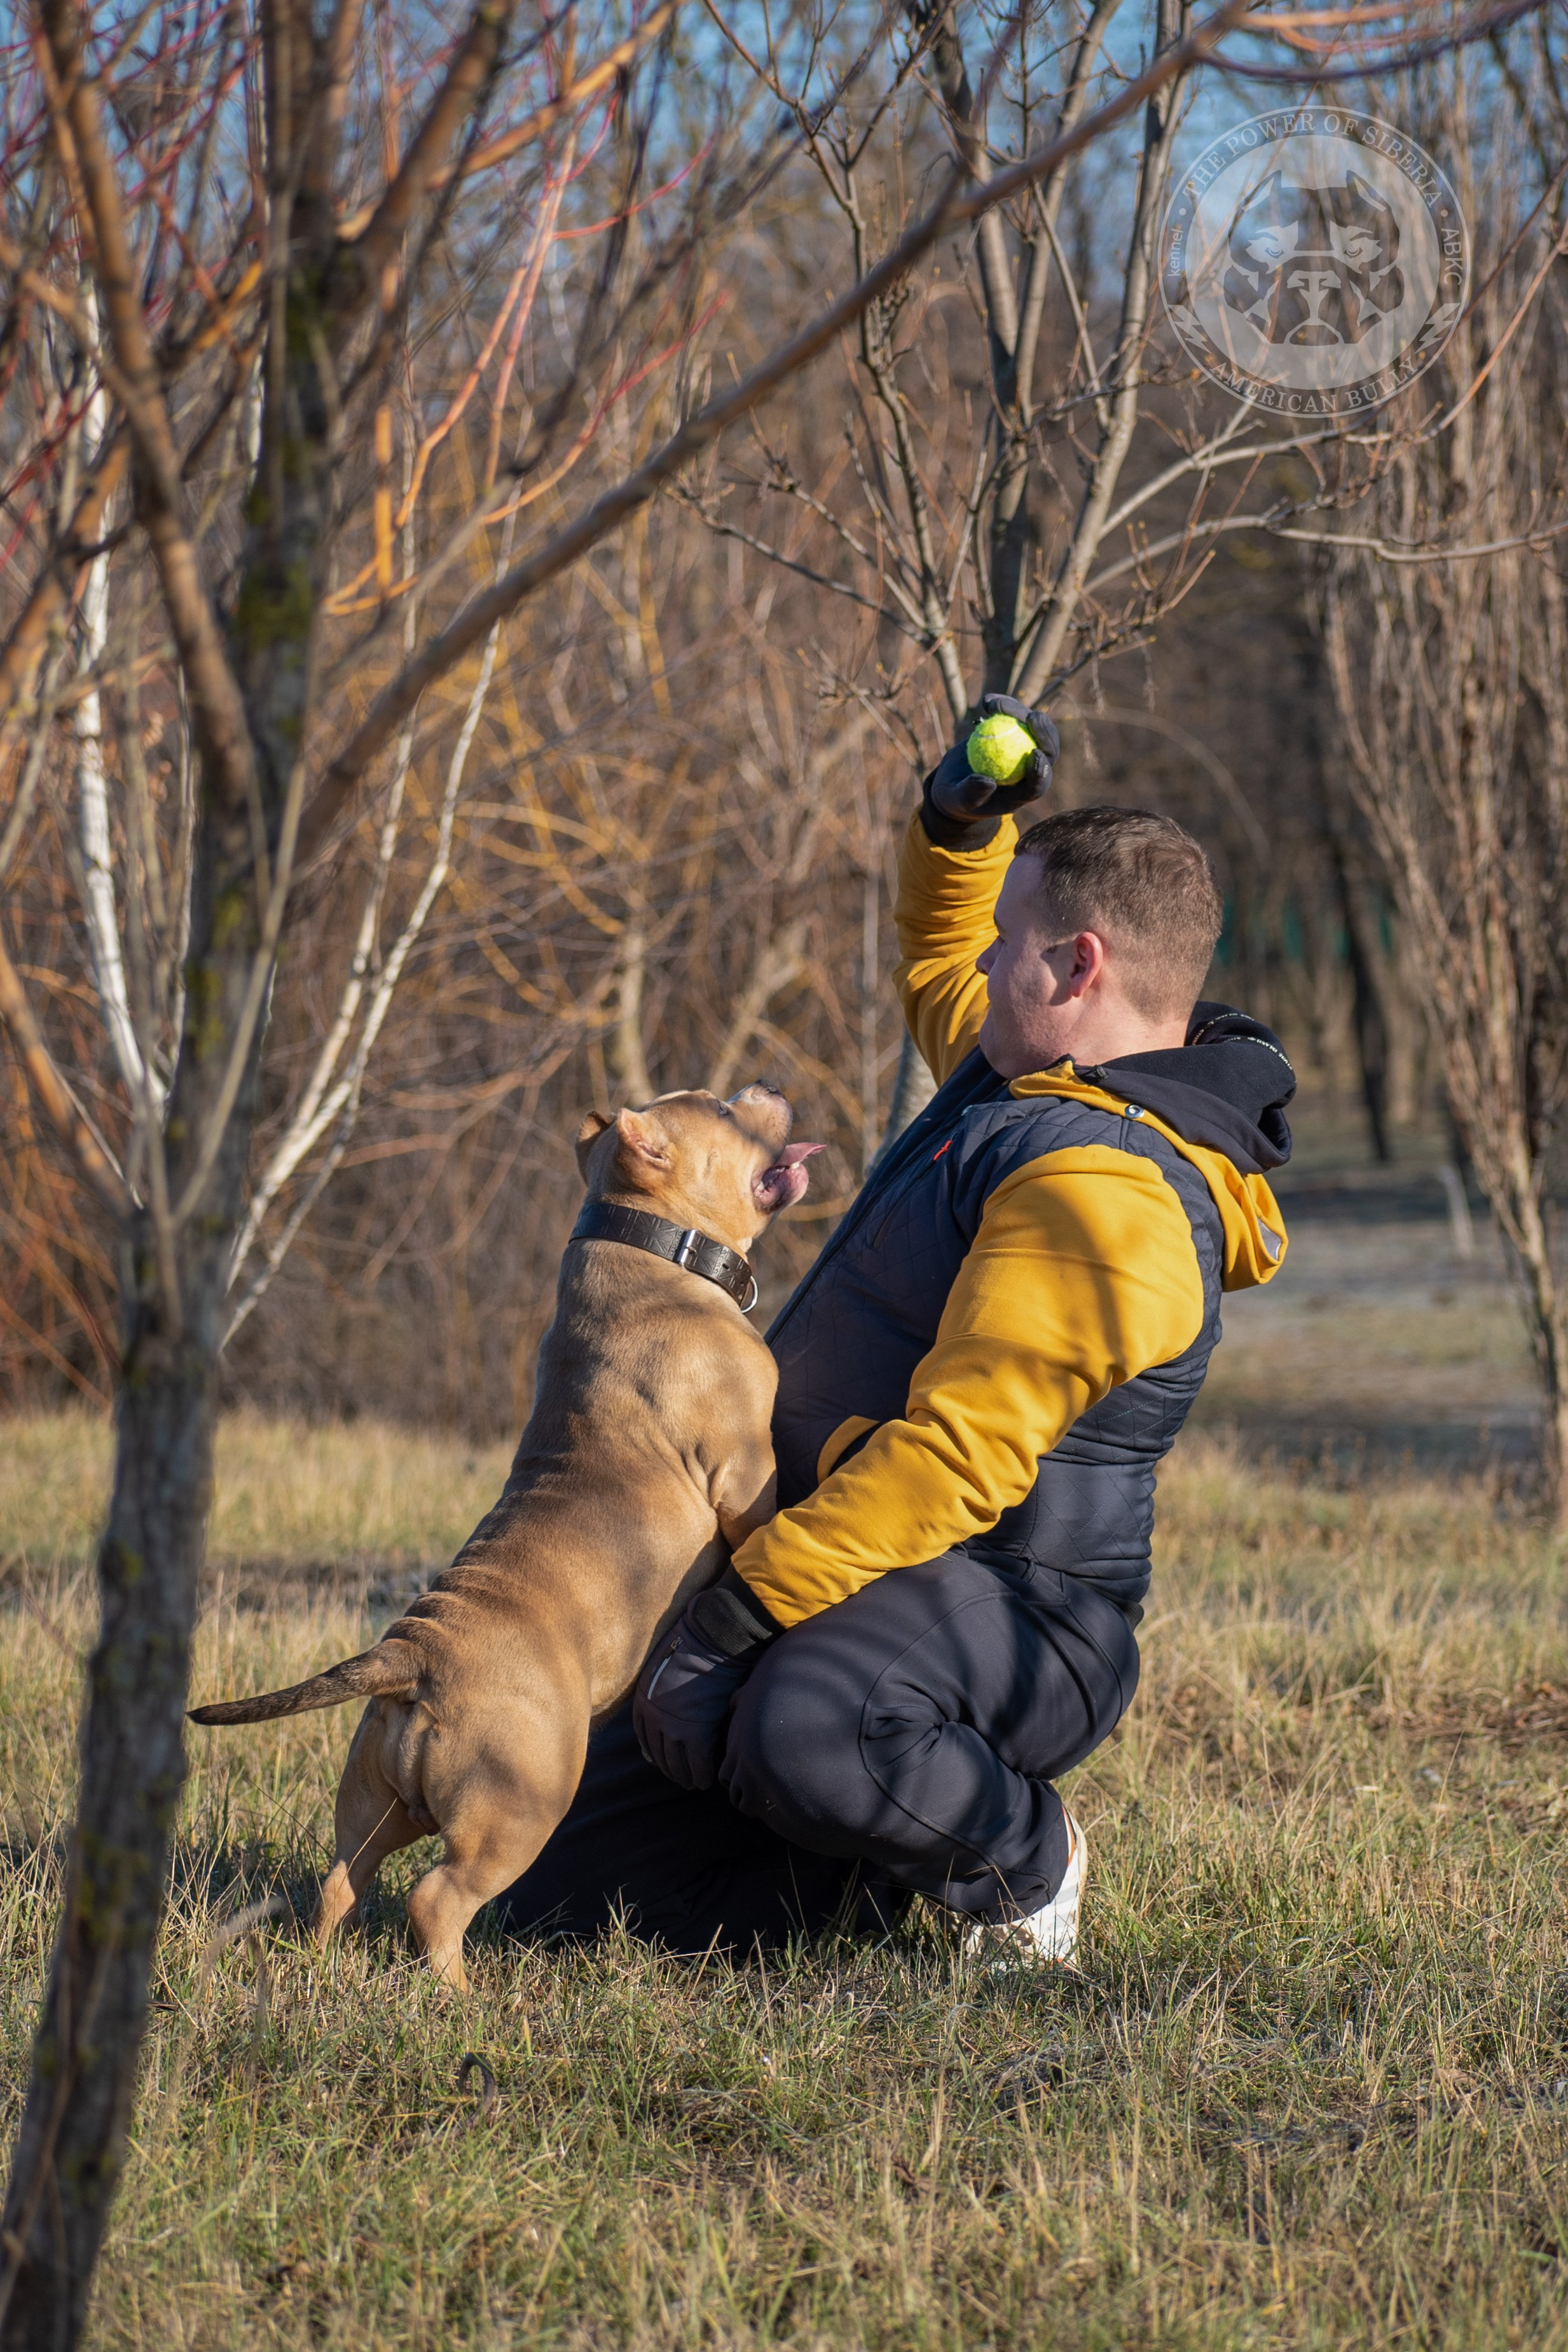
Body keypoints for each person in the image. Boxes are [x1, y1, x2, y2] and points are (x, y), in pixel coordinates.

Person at [496, 698, 1293, 1961]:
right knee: (542, 1901)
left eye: (1008, 941)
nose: (978, 963)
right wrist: (956, 822)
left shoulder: (1111, 1189)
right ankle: (855, 1873)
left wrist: (732, 1617)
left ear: (1080, 965)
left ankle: (1025, 1860)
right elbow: (940, 946)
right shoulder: (1021, 1067)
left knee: (812, 1727)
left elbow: (958, 1464)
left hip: (1014, 1610)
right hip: (858, 1569)